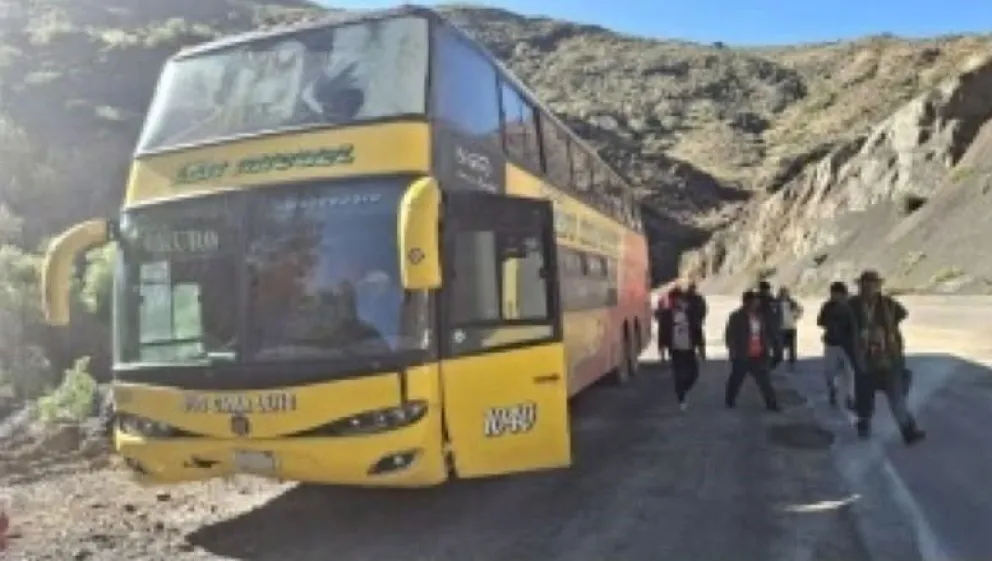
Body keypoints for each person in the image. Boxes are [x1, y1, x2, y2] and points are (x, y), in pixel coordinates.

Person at [848, 270, 925, 445]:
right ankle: (864, 425)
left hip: (890, 360)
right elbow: (841, 328)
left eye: (873, 284)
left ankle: (908, 431)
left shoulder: (889, 304)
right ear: (860, 286)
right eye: (865, 284)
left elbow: (902, 315)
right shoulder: (851, 306)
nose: (869, 288)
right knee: (864, 399)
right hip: (864, 362)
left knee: (897, 399)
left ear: (878, 286)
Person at [724, 290, 781, 412]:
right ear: (746, 302)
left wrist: (769, 346)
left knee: (764, 381)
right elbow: (730, 335)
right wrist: (732, 350)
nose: (757, 303)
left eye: (757, 301)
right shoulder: (736, 317)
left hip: (758, 355)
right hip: (742, 354)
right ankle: (730, 399)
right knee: (736, 379)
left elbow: (765, 333)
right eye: (754, 301)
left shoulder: (760, 316)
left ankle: (772, 404)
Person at [656, 288, 706, 412]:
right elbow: (662, 334)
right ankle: (681, 399)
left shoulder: (690, 313)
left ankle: (684, 389)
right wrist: (662, 352)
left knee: (694, 375)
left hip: (689, 349)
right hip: (676, 350)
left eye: (678, 299)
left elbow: (697, 330)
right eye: (673, 299)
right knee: (678, 376)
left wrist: (701, 349)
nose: (676, 302)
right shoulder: (667, 315)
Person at [817, 281, 857, 409]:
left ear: (840, 293)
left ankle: (850, 397)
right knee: (831, 372)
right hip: (833, 343)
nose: (832, 296)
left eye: (834, 293)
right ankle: (834, 390)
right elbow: (820, 321)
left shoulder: (851, 305)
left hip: (845, 344)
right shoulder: (828, 306)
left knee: (849, 372)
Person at [757, 281, 783, 368]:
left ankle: (768, 367)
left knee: (778, 354)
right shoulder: (756, 301)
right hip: (761, 330)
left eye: (767, 289)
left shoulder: (772, 300)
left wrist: (779, 325)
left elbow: (779, 313)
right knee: (764, 352)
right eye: (764, 290)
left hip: (774, 329)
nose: (766, 291)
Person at [776, 286, 803, 370]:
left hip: (791, 327)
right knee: (780, 347)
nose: (784, 295)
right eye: (783, 293)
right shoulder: (776, 303)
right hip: (780, 328)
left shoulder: (792, 302)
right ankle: (779, 363)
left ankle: (791, 364)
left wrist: (796, 316)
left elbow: (800, 310)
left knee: (792, 347)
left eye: (786, 293)